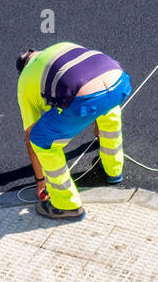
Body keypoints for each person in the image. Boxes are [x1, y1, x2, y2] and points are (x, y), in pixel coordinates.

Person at [16, 42, 128, 220]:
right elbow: (91, 79)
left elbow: (30, 134)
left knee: (40, 139)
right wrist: (97, 127)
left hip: (86, 97)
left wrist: (40, 182)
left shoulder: (25, 81)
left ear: (23, 69)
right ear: (36, 52)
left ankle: (66, 204)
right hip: (118, 81)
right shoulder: (61, 46)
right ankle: (113, 170)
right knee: (108, 110)